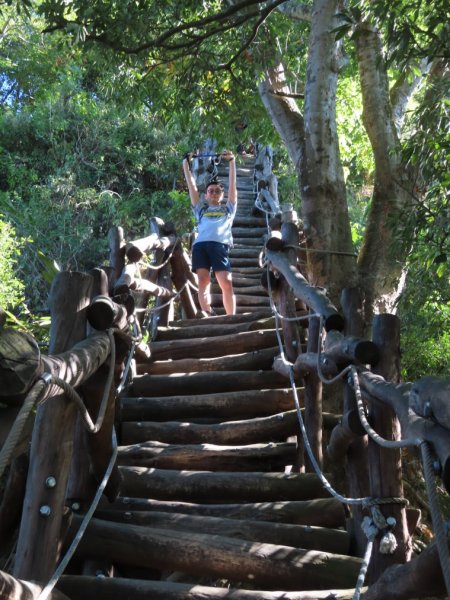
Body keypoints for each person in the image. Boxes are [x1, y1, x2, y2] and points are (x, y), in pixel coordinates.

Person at [182, 150, 237, 315]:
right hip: (200, 247)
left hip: (219, 246)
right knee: (203, 282)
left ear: (222, 196)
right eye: (210, 191)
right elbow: (191, 186)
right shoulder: (200, 210)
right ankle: (207, 314)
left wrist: (232, 162)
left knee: (226, 282)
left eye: (217, 191)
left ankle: (231, 317)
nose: (213, 193)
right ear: (205, 195)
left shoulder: (228, 209)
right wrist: (186, 164)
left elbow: (233, 186)